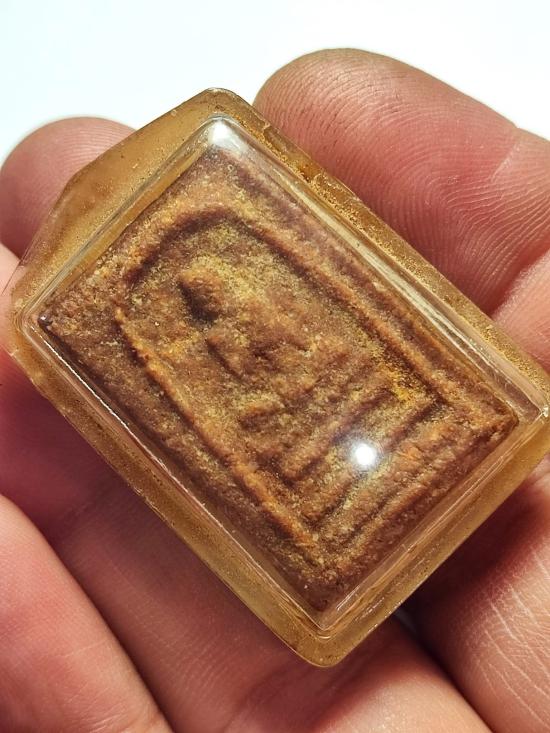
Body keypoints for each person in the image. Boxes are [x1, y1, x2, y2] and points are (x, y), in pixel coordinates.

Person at [0, 50, 548, 732]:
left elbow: (315, 349)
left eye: (212, 294)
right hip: (300, 447)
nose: (212, 310)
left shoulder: (262, 301)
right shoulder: (197, 336)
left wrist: (309, 377)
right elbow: (244, 390)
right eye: (200, 302)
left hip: (353, 399)